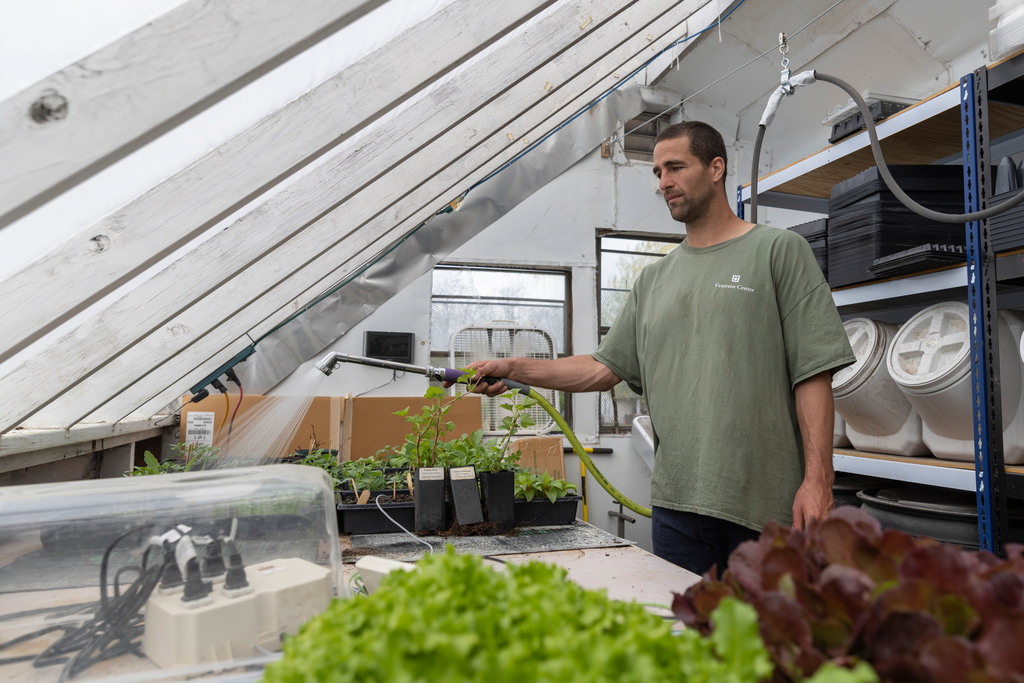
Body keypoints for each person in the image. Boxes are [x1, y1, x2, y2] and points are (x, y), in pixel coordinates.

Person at [451, 121, 854, 576]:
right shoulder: (653, 281)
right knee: (683, 639)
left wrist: (819, 480)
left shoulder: (778, 251)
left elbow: (813, 372)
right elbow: (603, 368)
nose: (664, 183)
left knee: (768, 643)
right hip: (676, 506)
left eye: (676, 167)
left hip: (763, 509)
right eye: (659, 172)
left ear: (716, 167)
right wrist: (514, 367)